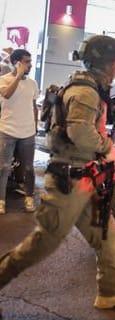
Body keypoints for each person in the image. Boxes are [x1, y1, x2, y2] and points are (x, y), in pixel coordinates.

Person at [0, 35, 115, 319]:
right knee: (44, 243)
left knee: (107, 236)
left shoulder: (89, 87)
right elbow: (79, 132)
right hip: (69, 182)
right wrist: (108, 148)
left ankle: (110, 292)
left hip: (84, 178)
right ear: (106, 64)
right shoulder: (87, 92)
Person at [0, 48, 40, 214]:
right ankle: (1, 201)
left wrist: (35, 125)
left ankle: (29, 198)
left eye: (30, 62)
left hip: (27, 132)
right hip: (7, 130)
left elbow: (33, 106)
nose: (29, 65)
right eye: (26, 62)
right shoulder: (3, 80)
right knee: (3, 167)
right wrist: (18, 75)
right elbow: (7, 95)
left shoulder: (32, 84)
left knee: (29, 168)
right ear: (16, 63)